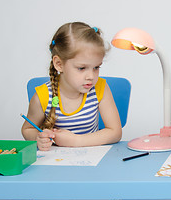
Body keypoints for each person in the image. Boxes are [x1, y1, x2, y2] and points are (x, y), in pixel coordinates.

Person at [22, 22, 122, 151]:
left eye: (96, 67)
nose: (91, 76)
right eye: (81, 68)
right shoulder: (43, 96)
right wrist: (38, 138)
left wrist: (76, 141)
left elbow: (115, 132)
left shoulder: (99, 88)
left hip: (92, 160)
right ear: (59, 64)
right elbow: (27, 129)